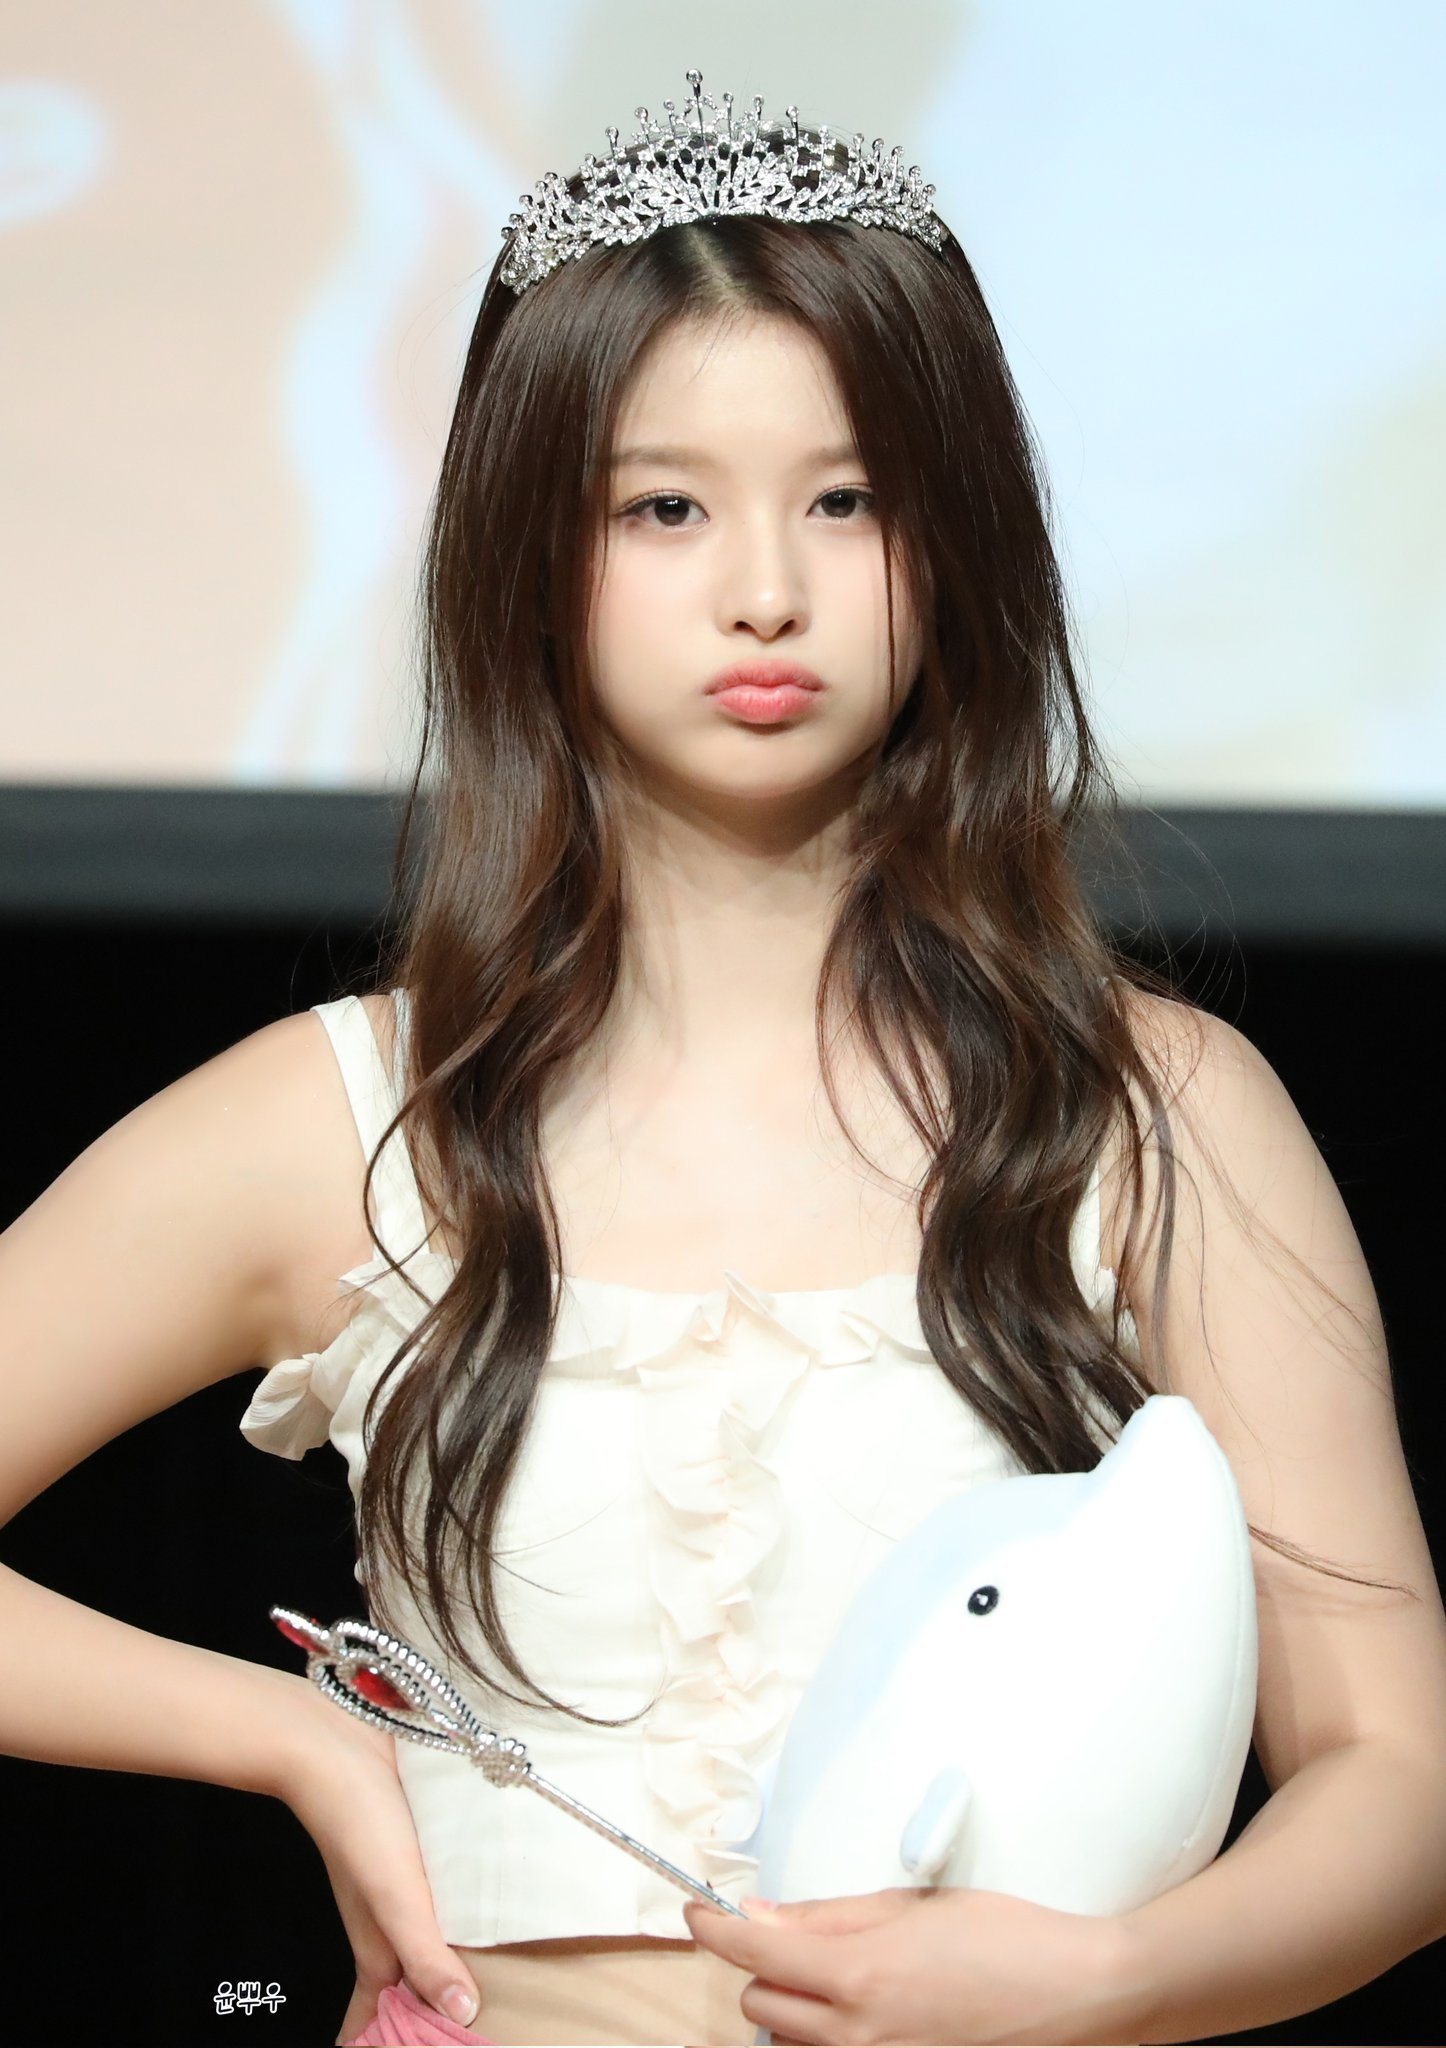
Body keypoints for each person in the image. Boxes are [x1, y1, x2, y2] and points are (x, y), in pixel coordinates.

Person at [4, 66, 1445, 2048]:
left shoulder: (1153, 1114)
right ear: (529, 549)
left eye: (848, 501)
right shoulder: (344, 1121)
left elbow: (1398, 1770)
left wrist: (1104, 1983)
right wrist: (297, 1738)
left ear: (960, 541)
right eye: (662, 508)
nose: (765, 588)